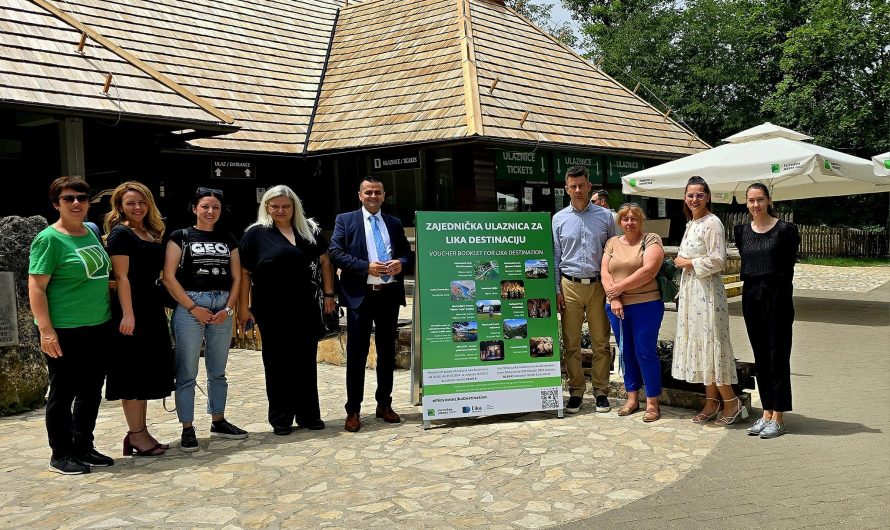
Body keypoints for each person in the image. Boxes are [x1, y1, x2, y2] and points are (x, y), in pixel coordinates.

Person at [28, 176, 115, 474]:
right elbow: (37, 288)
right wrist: (46, 330)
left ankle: (83, 445)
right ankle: (61, 453)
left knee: (91, 390)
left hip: (98, 325)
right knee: (63, 393)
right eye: (68, 198)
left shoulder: (90, 232)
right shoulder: (49, 239)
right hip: (65, 329)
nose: (76, 203)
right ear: (56, 203)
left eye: (81, 197)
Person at [238, 185, 335, 436]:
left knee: (304, 363)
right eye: (275, 206)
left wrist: (328, 294)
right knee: (277, 365)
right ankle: (281, 419)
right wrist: (243, 308)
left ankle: (308, 415)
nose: (281, 210)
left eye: (286, 206)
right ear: (266, 207)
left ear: (295, 208)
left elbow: (325, 262)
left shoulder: (308, 231)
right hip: (271, 310)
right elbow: (245, 273)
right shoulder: (255, 234)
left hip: (306, 308)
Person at [163, 187, 245, 451]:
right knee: (187, 372)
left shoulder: (229, 238)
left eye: (216, 208)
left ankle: (218, 419)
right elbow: (169, 276)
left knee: (218, 370)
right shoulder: (181, 236)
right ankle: (187, 427)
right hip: (191, 305)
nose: (211, 212)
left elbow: (237, 277)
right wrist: (192, 307)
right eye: (205, 207)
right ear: (195, 209)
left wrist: (229, 308)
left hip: (221, 305)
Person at [329, 177, 413, 432]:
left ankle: (384, 404)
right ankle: (353, 409)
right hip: (359, 295)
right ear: (360, 195)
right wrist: (365, 266)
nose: (373, 196)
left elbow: (408, 254)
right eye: (368, 192)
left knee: (387, 353)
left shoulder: (394, 223)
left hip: (388, 294)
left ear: (384, 195)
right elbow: (335, 253)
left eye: (377, 192)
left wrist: (401, 262)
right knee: (357, 354)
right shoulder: (346, 220)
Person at [103, 181, 174, 456]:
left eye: (142, 202)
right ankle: (135, 434)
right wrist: (129, 315)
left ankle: (141, 432)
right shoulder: (121, 234)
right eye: (131, 203)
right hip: (131, 309)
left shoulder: (148, 231)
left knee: (145, 372)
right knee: (131, 373)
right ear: (120, 206)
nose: (137, 207)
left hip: (150, 306)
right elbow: (122, 277)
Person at [672, 176, 747, 426]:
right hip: (691, 291)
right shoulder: (691, 223)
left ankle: (731, 401)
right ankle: (711, 401)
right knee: (701, 346)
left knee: (711, 344)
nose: (695, 199)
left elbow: (718, 260)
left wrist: (687, 263)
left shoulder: (712, 223)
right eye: (690, 194)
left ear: (708, 197)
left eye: (699, 195)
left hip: (707, 293)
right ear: (685, 197)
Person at [734, 183, 800, 439]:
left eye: (760, 200)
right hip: (751, 295)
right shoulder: (741, 231)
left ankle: (779, 416)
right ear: (746, 202)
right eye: (751, 200)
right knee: (761, 357)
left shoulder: (785, 230)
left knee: (778, 356)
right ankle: (766, 412)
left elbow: (787, 266)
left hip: (777, 295)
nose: (755, 205)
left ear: (769, 200)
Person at [552, 166, 616, 414]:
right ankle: (576, 392)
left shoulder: (606, 217)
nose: (577, 190)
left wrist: (613, 289)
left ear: (589, 186)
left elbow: (613, 251)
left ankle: (601, 391)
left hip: (599, 286)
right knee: (571, 344)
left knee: (601, 342)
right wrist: (556, 289)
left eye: (581, 185)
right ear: (566, 188)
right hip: (569, 286)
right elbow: (555, 255)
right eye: (573, 186)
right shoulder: (558, 219)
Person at [601, 203, 665, 422]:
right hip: (616, 306)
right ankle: (631, 398)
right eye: (626, 219)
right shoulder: (611, 243)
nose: (630, 223)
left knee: (645, 352)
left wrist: (619, 288)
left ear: (641, 221)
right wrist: (614, 297)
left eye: (634, 219)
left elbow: (648, 271)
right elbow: (605, 272)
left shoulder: (651, 239)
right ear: (619, 222)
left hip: (646, 304)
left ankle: (652, 403)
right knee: (626, 352)